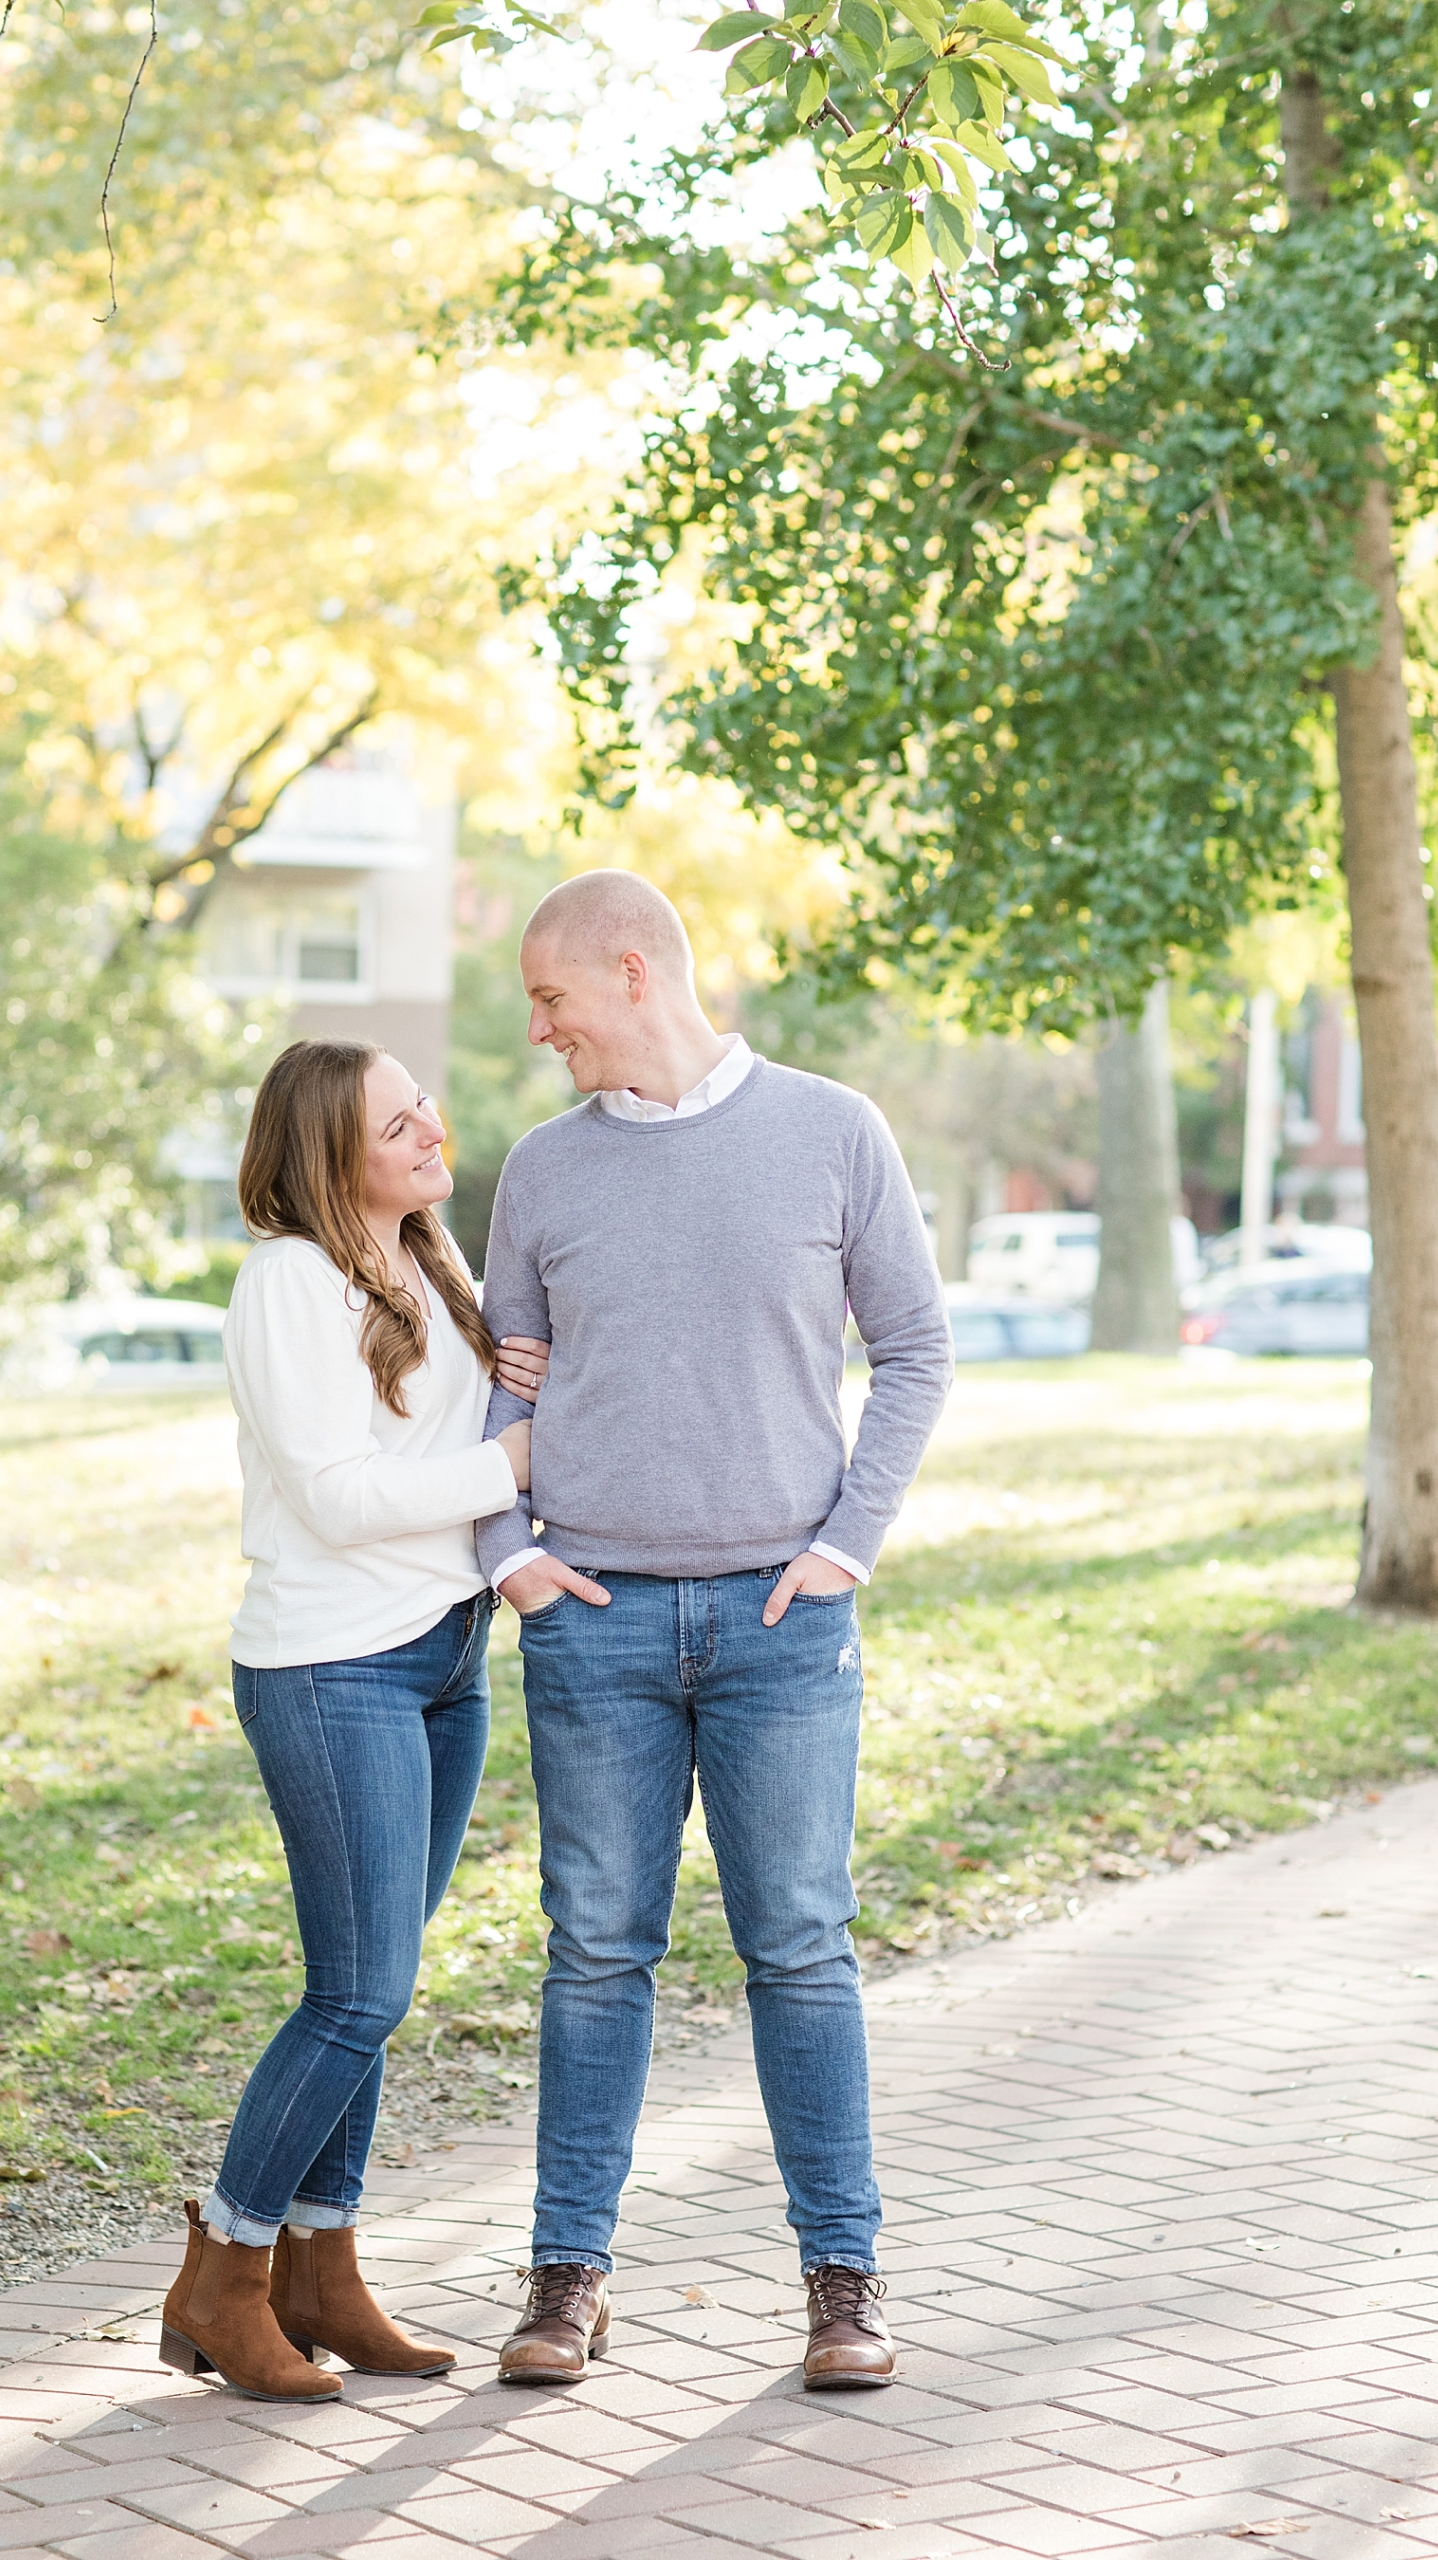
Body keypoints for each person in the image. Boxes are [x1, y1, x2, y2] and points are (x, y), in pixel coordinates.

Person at [477, 873, 953, 2392]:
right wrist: (506, 1558)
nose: (538, 1028)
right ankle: (566, 2283)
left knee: (800, 1951)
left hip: (780, 1623)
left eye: (552, 999)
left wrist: (846, 1547)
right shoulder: (543, 1170)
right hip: (595, 1620)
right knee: (593, 1957)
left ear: (632, 973)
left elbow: (918, 1349)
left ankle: (845, 2283)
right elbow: (508, 1381)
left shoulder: (832, 1131)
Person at [159, 1038, 548, 2403]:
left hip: (444, 1660)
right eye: (400, 1120)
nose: (435, 1127)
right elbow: (331, 1493)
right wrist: (505, 1461)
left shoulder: (436, 1270)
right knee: (359, 1991)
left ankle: (326, 2273)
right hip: (333, 1669)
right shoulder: (286, 1280)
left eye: (426, 1103)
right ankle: (226, 2275)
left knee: (374, 1990)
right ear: (331, 1154)